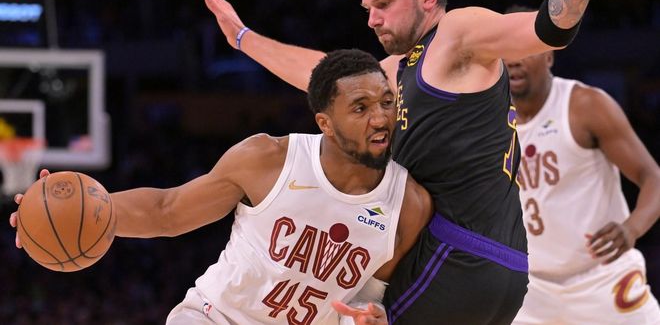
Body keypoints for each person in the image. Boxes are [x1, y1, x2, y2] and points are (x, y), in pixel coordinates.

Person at [200, 0, 657, 323]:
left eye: (384, 4)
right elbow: (321, 74)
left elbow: (548, 28)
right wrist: (243, 38)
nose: (373, 19)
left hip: (456, 253)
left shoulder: (457, 33)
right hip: (496, 267)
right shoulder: (397, 70)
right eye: (368, 10)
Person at [10, 50, 432, 325]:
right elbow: (167, 211)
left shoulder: (409, 204)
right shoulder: (269, 159)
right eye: (360, 107)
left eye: (386, 102)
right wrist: (76, 211)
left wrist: (368, 316)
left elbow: (366, 295)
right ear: (326, 123)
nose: (381, 118)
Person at [501, 12, 660, 324]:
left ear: (549, 55)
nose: (514, 60)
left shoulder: (584, 106)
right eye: (507, 50)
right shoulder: (487, 122)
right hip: (531, 287)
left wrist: (631, 228)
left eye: (525, 49)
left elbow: (653, 177)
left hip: (601, 276)